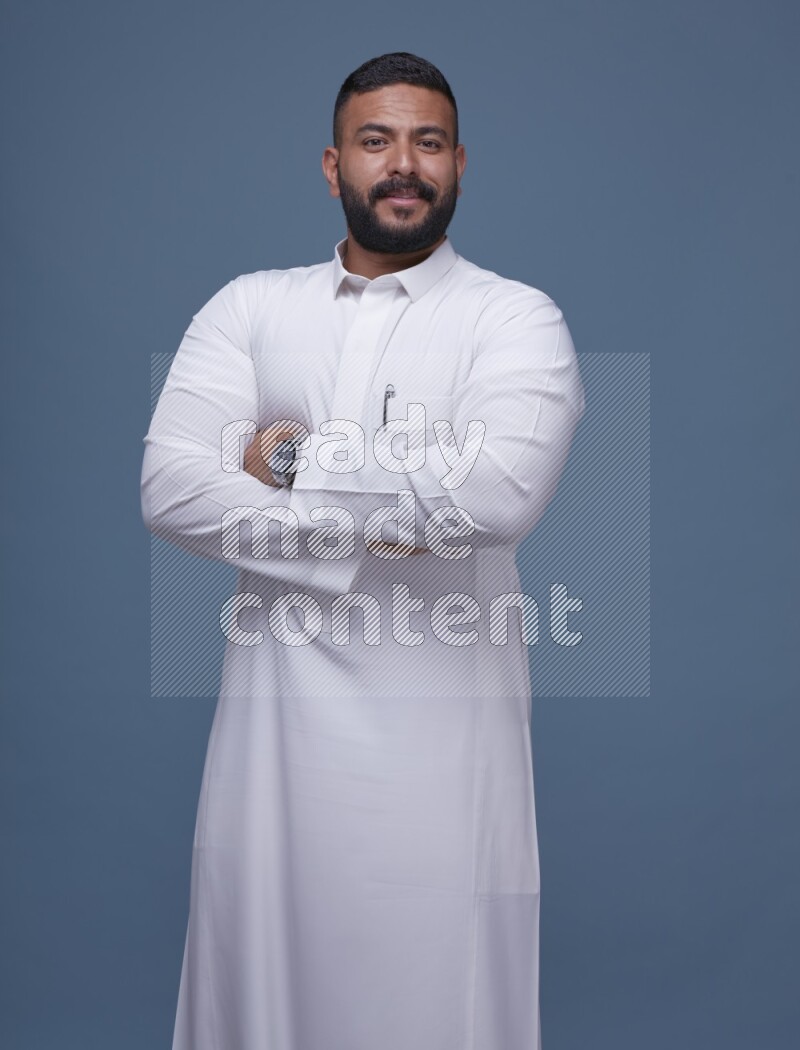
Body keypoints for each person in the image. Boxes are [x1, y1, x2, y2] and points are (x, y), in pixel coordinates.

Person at [142, 51, 585, 1050]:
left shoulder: (513, 319)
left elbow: (492, 497)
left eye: (427, 143)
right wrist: (397, 495)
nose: (402, 166)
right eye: (375, 141)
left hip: (444, 758)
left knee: (438, 1003)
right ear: (331, 162)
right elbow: (170, 488)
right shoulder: (250, 308)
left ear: (461, 164)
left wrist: (283, 455)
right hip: (274, 753)